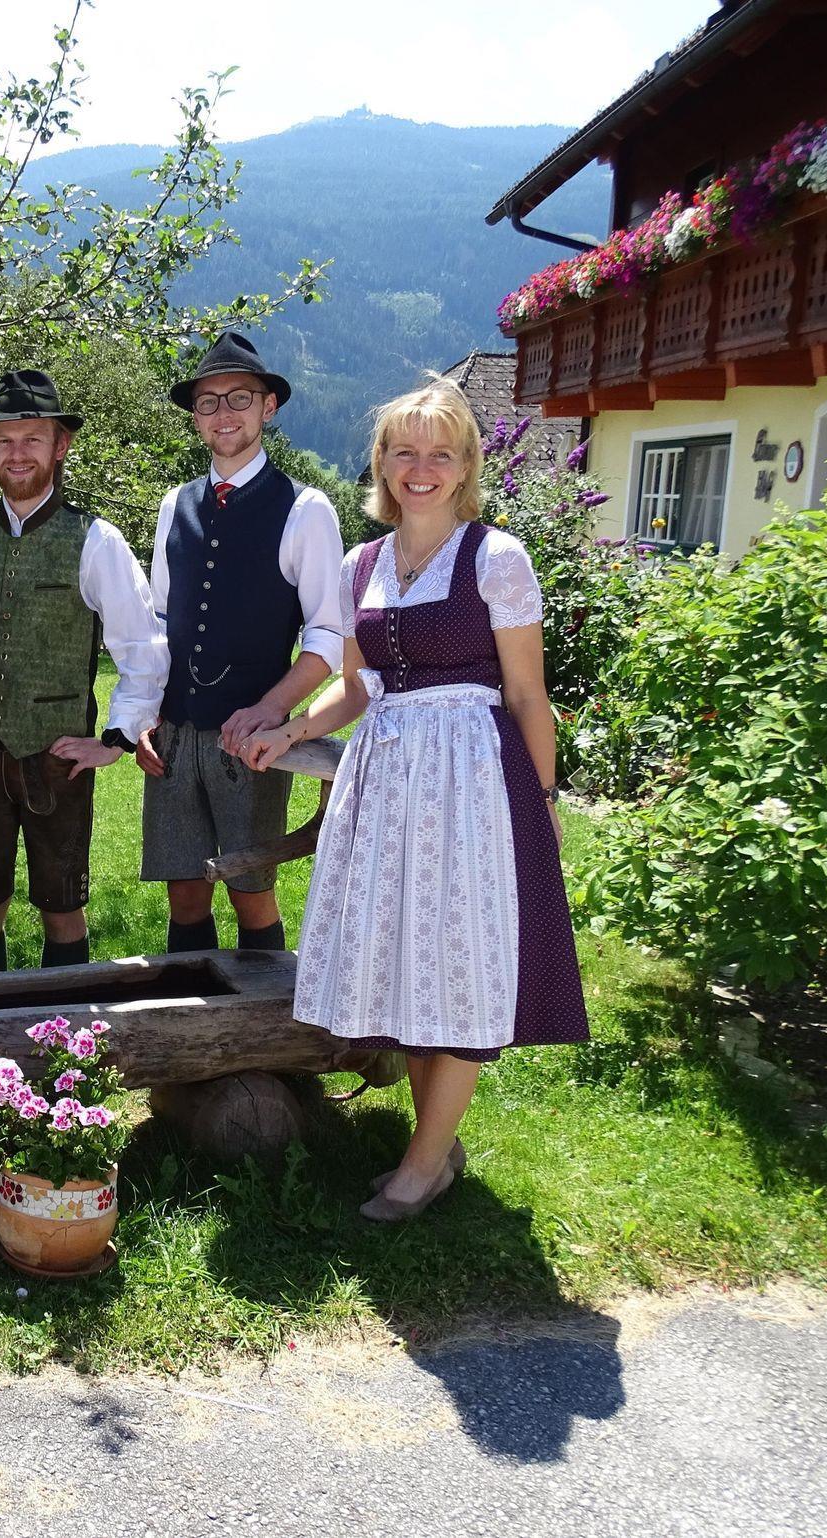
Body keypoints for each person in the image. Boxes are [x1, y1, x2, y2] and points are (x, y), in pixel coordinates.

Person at [239, 378, 589, 1221]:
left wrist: (542, 800)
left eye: (440, 453)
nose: (420, 468)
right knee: (412, 959)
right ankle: (437, 1150)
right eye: (404, 452)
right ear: (383, 464)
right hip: (389, 785)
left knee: (459, 961)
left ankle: (423, 1164)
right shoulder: (363, 564)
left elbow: (527, 695)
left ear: (466, 465)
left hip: (473, 785)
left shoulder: (496, 559)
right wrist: (292, 728)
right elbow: (361, 688)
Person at [0, 368, 166, 972]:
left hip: (56, 759)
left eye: (32, 439)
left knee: (63, 908)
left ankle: (64, 1027)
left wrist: (115, 740)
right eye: (4, 440)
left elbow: (143, 647)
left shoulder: (95, 540)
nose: (17, 453)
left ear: (60, 445)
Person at [140, 331, 345, 953]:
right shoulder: (175, 504)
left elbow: (330, 634)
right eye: (208, 402)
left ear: (267, 407)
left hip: (252, 738)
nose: (223, 412)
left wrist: (272, 708)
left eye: (239, 398)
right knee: (184, 890)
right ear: (195, 417)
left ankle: (268, 1010)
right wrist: (143, 711)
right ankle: (190, 1006)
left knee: (250, 888)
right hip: (174, 731)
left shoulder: (305, 508)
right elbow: (158, 621)